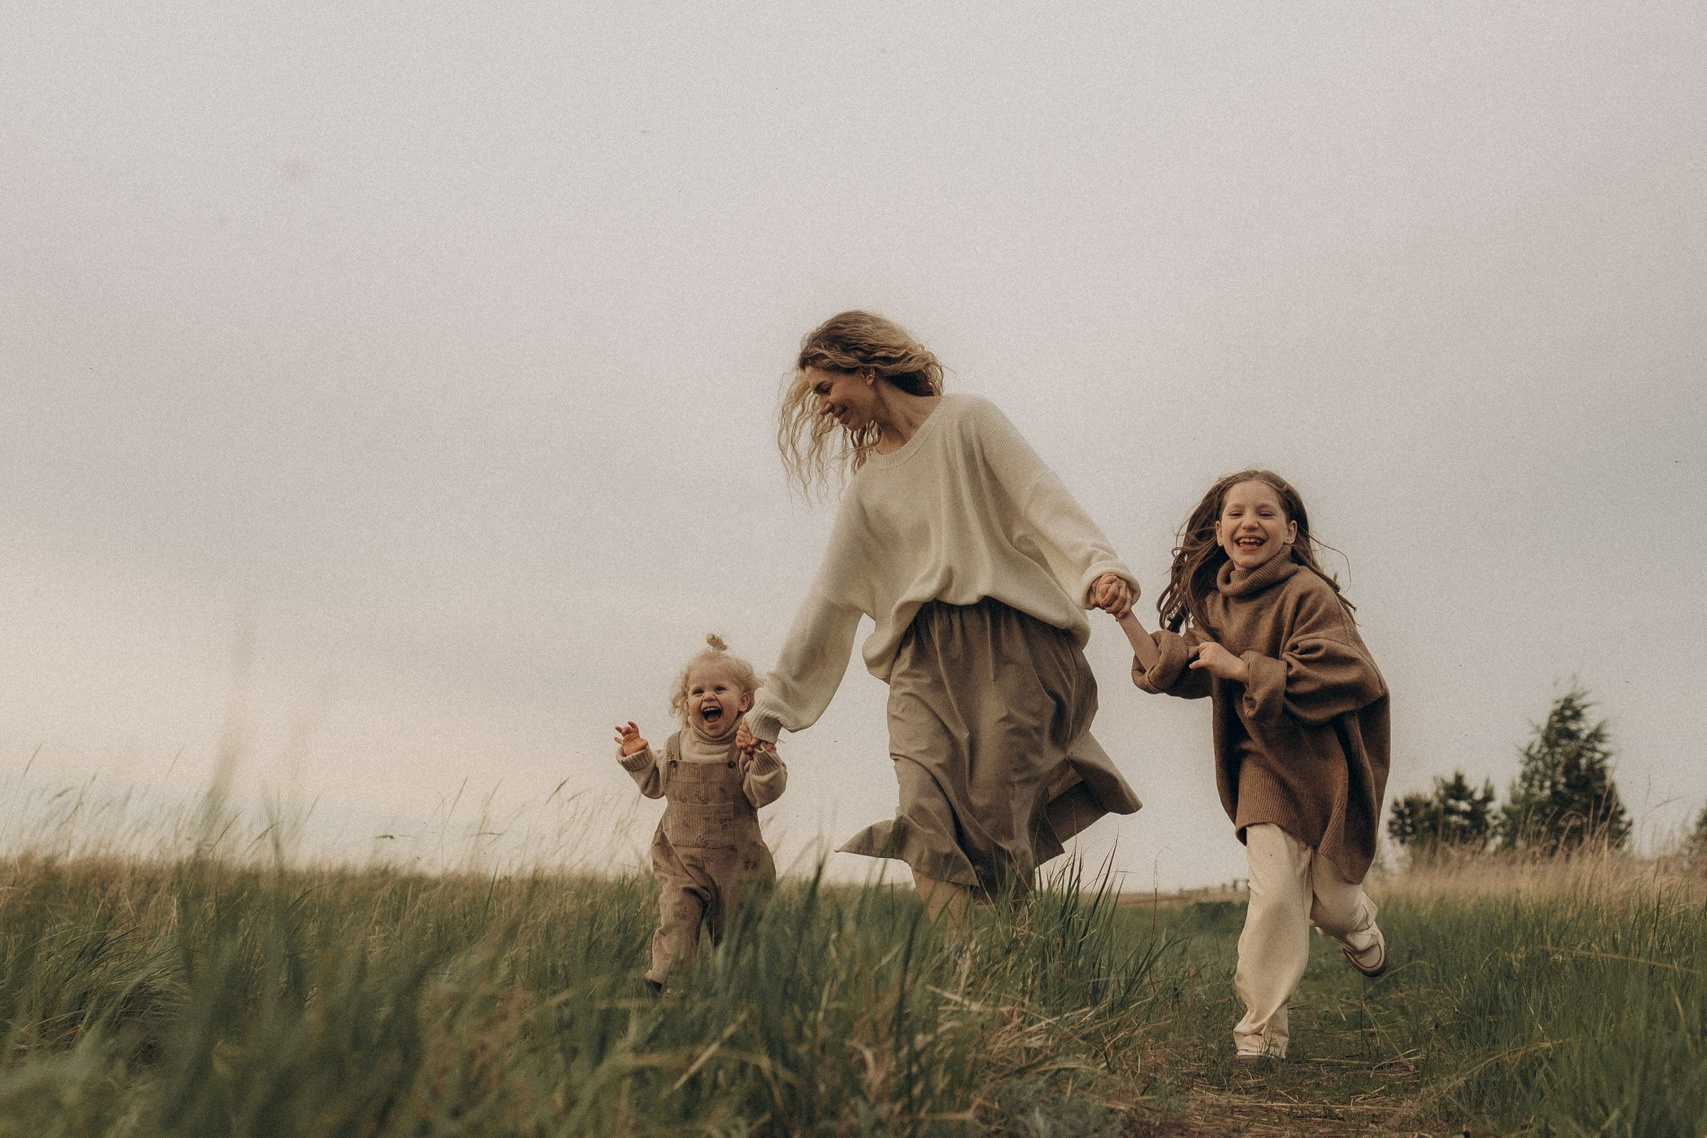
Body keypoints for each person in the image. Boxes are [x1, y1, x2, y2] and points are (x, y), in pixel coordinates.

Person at [735, 310, 1141, 923]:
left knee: (999, 832)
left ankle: (1009, 989)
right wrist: (772, 709)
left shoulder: (967, 420)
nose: (821, 406)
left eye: (825, 387)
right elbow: (831, 598)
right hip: (920, 663)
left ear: (865, 370)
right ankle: (969, 976)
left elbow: (1040, 495)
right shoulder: (869, 484)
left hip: (1011, 643)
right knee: (922, 810)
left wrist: (1095, 567)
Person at [1128, 469, 1390, 1060]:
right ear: (1218, 531)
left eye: (1265, 513)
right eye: (1237, 513)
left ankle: (1357, 924)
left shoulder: (1307, 595)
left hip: (1325, 769)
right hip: (1260, 769)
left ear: (1290, 531)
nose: (1250, 522)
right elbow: (1170, 667)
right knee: (1274, 896)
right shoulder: (1215, 603)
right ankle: (1261, 1038)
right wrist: (1124, 617)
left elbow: (1354, 674)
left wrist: (1244, 667)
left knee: (1331, 900)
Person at [615, 634, 787, 988]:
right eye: (697, 692)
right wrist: (637, 755)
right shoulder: (676, 746)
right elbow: (654, 786)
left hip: (737, 865)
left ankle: (734, 998)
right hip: (681, 860)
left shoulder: (746, 748)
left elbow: (762, 793)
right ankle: (665, 986)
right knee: (676, 921)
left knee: (735, 941)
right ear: (686, 703)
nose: (707, 696)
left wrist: (762, 756)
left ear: (743, 701)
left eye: (719, 689)